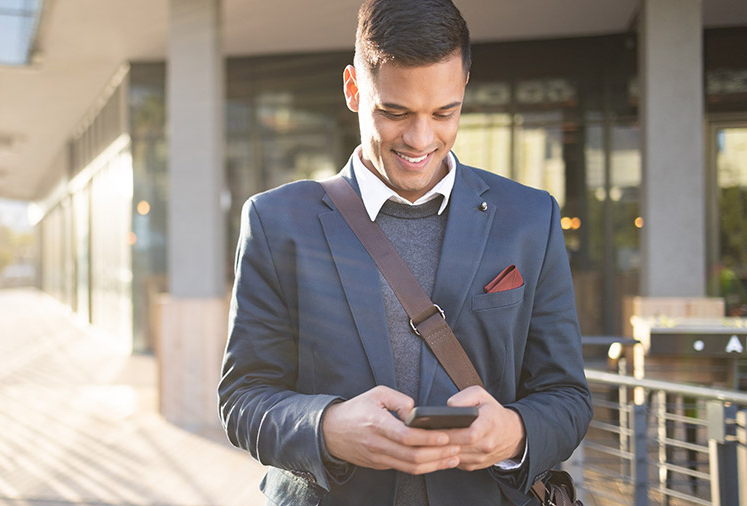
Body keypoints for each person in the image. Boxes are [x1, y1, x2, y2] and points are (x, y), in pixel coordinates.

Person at [218, 1, 593, 504]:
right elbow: (244, 399)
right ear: (354, 89)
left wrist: (514, 433)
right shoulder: (275, 221)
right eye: (394, 112)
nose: (420, 139)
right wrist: (328, 428)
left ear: (463, 86)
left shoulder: (530, 218)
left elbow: (567, 397)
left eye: (444, 112)